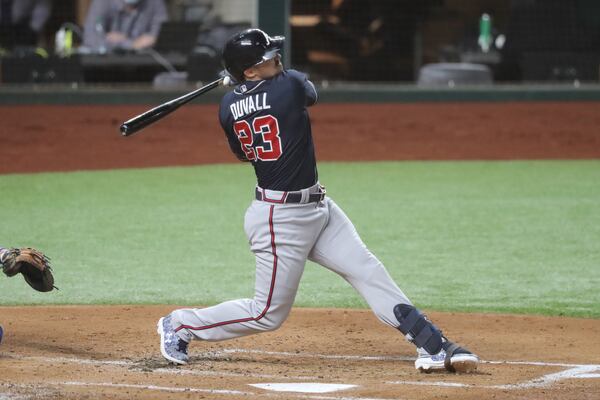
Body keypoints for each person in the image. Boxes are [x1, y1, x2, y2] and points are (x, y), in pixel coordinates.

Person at [157, 28, 479, 373]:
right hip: (280, 219)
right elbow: (308, 91)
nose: (278, 60)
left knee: (366, 269)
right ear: (249, 70)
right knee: (266, 314)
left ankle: (432, 344)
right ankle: (179, 325)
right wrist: (255, 85)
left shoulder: (227, 107)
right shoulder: (290, 85)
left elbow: (242, 152)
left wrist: (243, 89)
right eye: (269, 58)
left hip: (318, 207)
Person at [82, 0, 167, 53]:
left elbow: (161, 36)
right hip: (107, 66)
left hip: (144, 66)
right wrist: (132, 44)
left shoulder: (155, 2)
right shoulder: (103, 2)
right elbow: (91, 37)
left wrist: (124, 42)